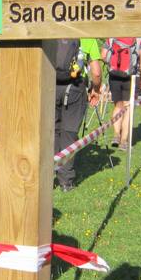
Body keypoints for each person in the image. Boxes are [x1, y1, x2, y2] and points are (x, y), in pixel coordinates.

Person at [51, 38, 103, 190]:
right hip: (75, 90)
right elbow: (97, 72)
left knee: (52, 132)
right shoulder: (87, 37)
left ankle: (47, 177)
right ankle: (66, 181)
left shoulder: (52, 33)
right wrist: (96, 89)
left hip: (50, 85)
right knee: (69, 133)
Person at [103, 36, 141, 151]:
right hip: (132, 76)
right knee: (128, 107)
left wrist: (114, 63)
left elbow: (104, 55)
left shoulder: (114, 33)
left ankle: (116, 135)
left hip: (114, 75)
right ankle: (124, 141)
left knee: (118, 105)